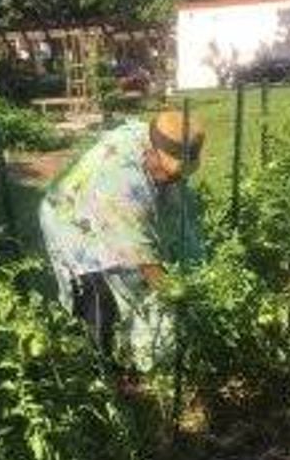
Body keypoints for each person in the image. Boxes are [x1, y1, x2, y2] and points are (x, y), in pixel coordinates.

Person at [39, 110, 205, 380]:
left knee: (136, 284)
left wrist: (198, 264)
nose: (174, 179)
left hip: (111, 207)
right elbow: (145, 262)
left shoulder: (157, 142)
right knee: (98, 298)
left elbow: (182, 220)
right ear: (151, 153)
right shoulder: (122, 179)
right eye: (169, 172)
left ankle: (128, 353)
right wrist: (183, 296)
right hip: (73, 219)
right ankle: (104, 374)